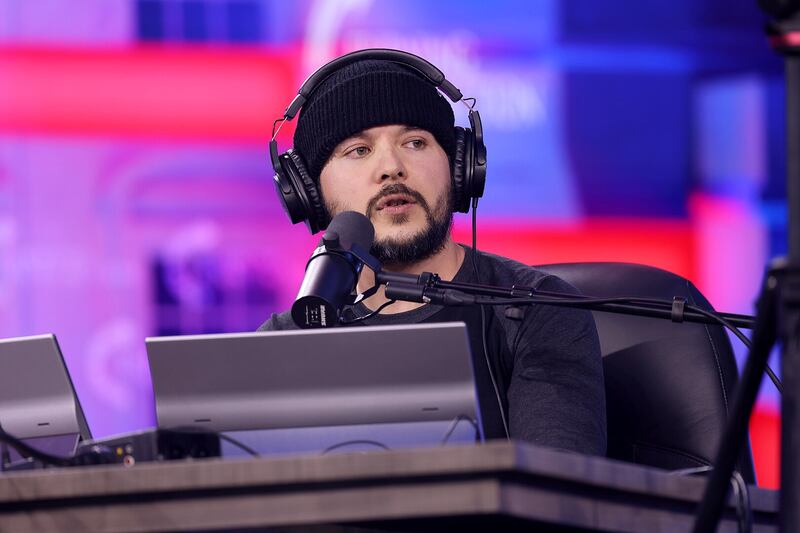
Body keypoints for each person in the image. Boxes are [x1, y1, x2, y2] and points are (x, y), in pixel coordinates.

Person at [260, 52, 606, 456]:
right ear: (310, 194)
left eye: (416, 142)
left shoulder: (536, 310)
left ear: (460, 168)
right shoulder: (282, 344)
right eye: (358, 150)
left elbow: (554, 498)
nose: (392, 167)